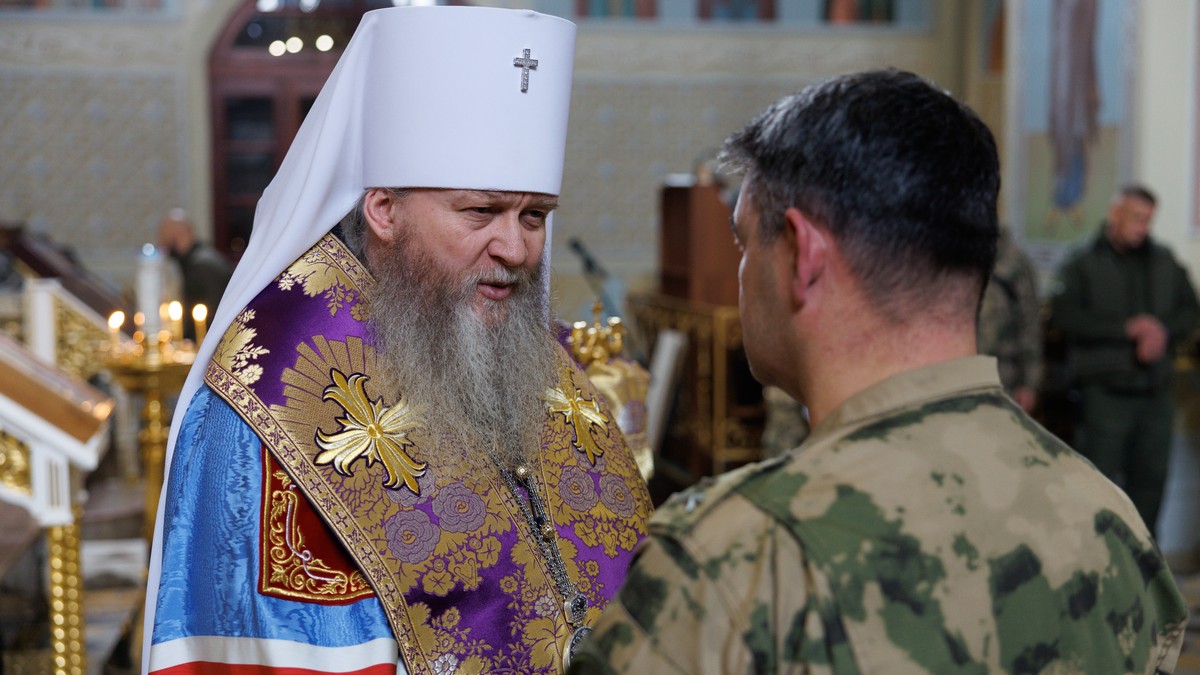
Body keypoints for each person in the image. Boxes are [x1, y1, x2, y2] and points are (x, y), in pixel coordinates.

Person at [570, 70, 1187, 673]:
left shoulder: (731, 563)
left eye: (744, 242)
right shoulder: (1112, 523)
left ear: (802, 254)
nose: (741, 270)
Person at [143, 7, 652, 674]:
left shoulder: (540, 354)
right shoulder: (262, 401)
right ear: (384, 210)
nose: (517, 248)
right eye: (481, 211)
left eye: (534, 216)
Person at [1051, 184, 1200, 536]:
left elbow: (1190, 311)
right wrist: (1126, 328)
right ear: (1114, 214)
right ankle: (1098, 560)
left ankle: (1145, 563)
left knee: (1150, 484)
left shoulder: (1164, 260)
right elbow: (1064, 316)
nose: (1142, 227)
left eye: (1148, 220)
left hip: (1156, 392)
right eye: (1135, 218)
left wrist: (1162, 331)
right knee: (1098, 487)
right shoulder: (1083, 261)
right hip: (1106, 392)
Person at [977, 225, 1043, 413]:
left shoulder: (1014, 262)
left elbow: (1029, 324)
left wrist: (1029, 383)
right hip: (961, 375)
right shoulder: (951, 255)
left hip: (1003, 378)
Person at [157, 207, 233, 339]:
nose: (161, 244)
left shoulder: (203, 267)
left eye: (163, 237)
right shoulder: (194, 260)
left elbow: (209, 319)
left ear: (175, 236)